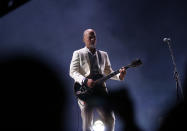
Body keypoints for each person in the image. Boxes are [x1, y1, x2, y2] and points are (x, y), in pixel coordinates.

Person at [69, 29, 126, 131]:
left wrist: (120, 76)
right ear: (84, 39)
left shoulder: (103, 54)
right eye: (89, 37)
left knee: (110, 118)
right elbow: (73, 72)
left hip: (100, 90)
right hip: (85, 90)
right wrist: (85, 80)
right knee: (87, 120)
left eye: (94, 37)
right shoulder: (78, 53)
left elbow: (108, 71)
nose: (92, 39)